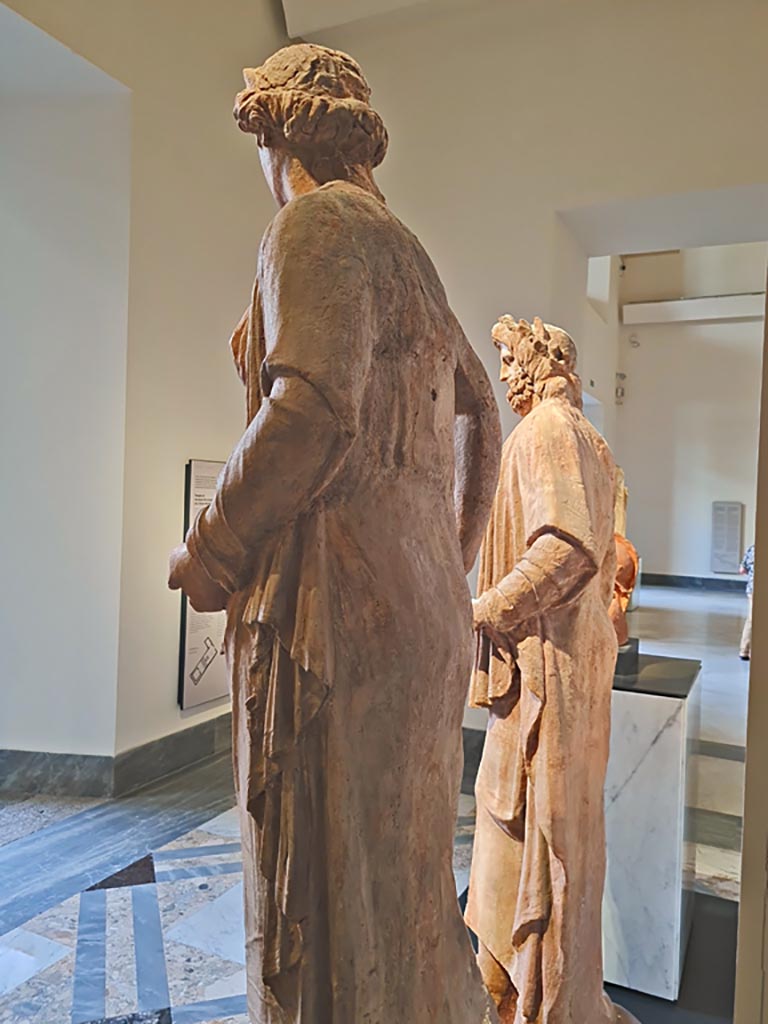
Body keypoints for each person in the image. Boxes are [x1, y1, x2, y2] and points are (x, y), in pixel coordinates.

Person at [168, 43, 501, 1024]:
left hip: (332, 616)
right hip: (416, 604)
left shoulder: (311, 224)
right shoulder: (409, 251)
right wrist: (454, 555)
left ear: (271, 130)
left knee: (329, 888)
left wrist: (211, 547)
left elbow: (311, 408)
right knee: (395, 881)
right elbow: (483, 410)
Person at [467, 316, 630, 1024]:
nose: (505, 374)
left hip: (547, 670)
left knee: (535, 839)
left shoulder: (546, 432)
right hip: (570, 663)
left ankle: (533, 1000)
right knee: (556, 838)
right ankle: (542, 996)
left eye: (510, 357)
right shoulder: (590, 438)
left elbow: (567, 549)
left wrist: (483, 608)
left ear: (541, 359)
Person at [740, 543, 755, 661]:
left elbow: (742, 570)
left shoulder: (752, 548)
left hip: (752, 589)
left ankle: (744, 650)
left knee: (751, 619)